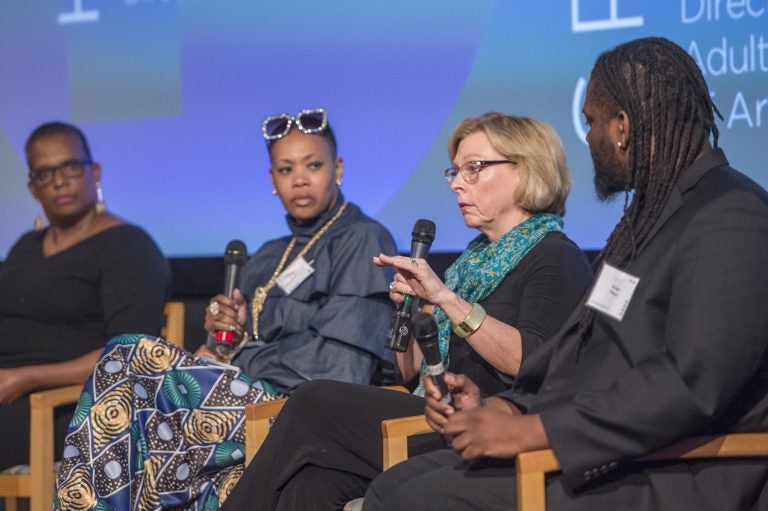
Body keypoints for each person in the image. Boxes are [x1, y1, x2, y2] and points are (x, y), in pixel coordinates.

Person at [363, 37, 768, 511]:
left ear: (623, 127)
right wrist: (507, 405)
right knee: (392, 487)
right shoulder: (650, 216)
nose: (589, 139)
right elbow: (587, 349)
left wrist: (533, 429)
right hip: (609, 451)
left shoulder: (730, 214)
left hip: (679, 467)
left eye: (592, 123)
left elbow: (692, 383)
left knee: (417, 500)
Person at [221, 113, 594, 511]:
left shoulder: (555, 257)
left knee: (313, 402)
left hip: (489, 427)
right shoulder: (472, 262)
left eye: (474, 169)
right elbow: (411, 373)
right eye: (454, 171)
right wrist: (412, 311)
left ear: (526, 169)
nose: (456, 184)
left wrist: (446, 299)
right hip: (431, 414)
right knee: (313, 481)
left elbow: (528, 360)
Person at [53, 108, 399, 511]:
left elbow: (342, 370)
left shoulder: (363, 238)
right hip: (243, 402)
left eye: (314, 165)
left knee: (126, 354)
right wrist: (221, 344)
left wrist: (241, 360)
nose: (300, 179)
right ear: (272, 180)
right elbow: (230, 352)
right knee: (138, 427)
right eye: (286, 169)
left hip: (298, 408)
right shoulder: (267, 256)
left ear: (337, 168)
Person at [0, 122, 170, 471]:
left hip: (67, 406)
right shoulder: (25, 248)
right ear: (33, 188)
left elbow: (130, 352)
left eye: (70, 167)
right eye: (45, 173)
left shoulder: (127, 246)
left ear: (93, 172)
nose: (59, 181)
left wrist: (29, 378)